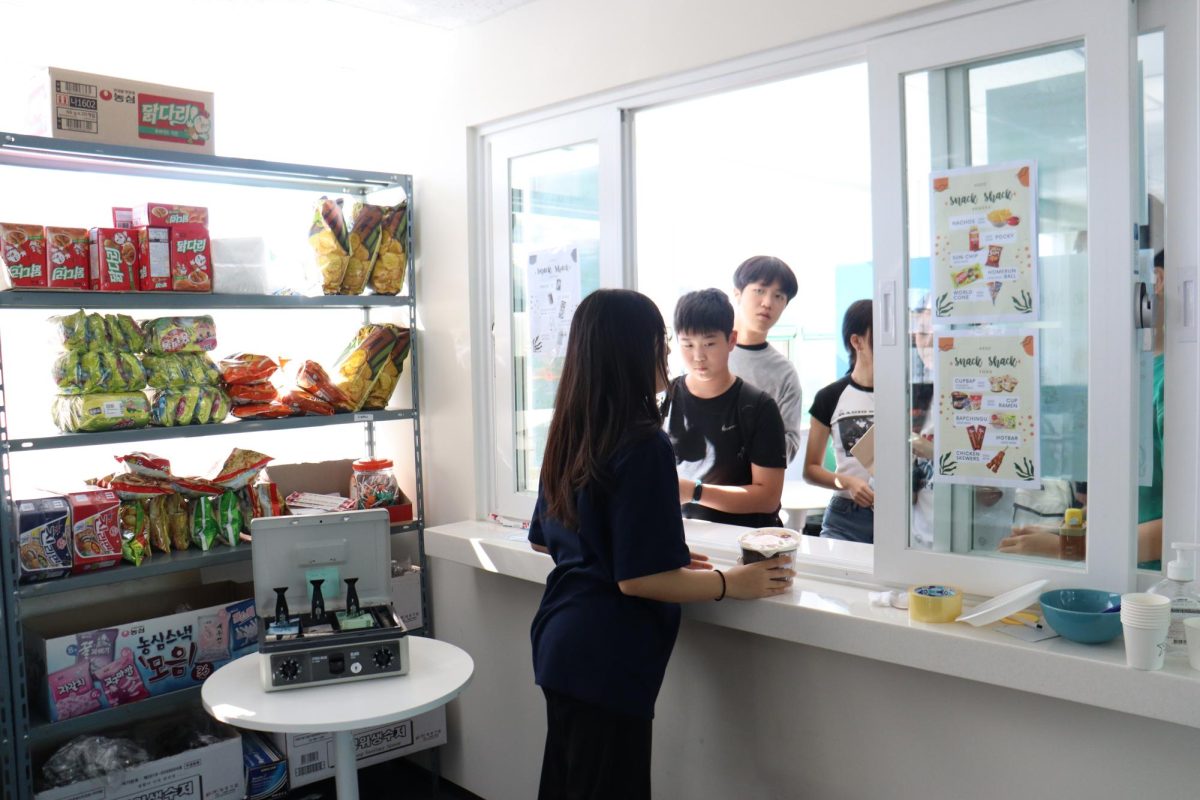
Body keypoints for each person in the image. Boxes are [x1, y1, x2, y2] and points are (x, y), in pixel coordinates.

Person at [528, 289, 791, 800]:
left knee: (568, 784)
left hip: (561, 641)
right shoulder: (644, 440)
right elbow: (636, 580)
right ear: (631, 350)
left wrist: (655, 551)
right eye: (663, 342)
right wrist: (727, 583)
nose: (671, 354)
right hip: (607, 657)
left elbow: (549, 539)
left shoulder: (570, 428)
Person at [663, 288, 788, 528]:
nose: (698, 356)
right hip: (682, 536)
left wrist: (695, 492)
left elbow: (768, 498)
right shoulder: (665, 399)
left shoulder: (757, 407)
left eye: (709, 343)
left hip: (744, 541)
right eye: (687, 345)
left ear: (731, 340)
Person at [803, 299, 875, 543]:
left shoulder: (906, 395)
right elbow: (811, 469)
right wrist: (848, 482)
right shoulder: (830, 397)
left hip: (900, 515)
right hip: (846, 516)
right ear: (857, 341)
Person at [729, 255, 804, 463]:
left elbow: (789, 444)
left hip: (760, 489)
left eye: (779, 296)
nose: (767, 303)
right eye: (759, 290)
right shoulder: (707, 353)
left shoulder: (784, 372)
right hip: (703, 488)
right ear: (737, 293)